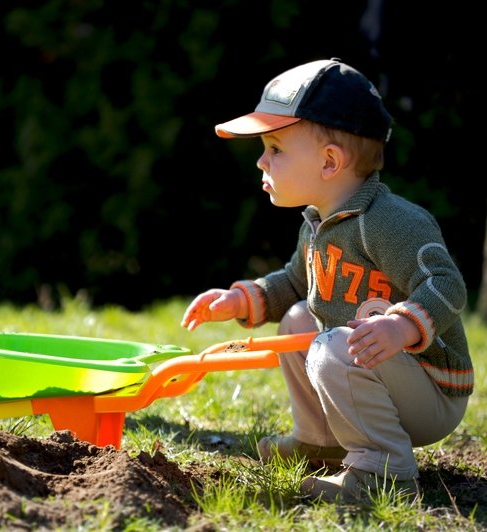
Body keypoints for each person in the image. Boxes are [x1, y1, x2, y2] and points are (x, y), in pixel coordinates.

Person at [181, 58, 473, 504]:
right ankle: (321, 441)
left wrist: (401, 326)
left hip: (431, 389)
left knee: (332, 346)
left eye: (275, 149)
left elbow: (448, 284)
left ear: (330, 161)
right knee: (301, 319)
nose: (261, 160)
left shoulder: (389, 222)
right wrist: (242, 300)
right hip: (376, 375)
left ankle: (384, 472)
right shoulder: (319, 224)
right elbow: (297, 284)